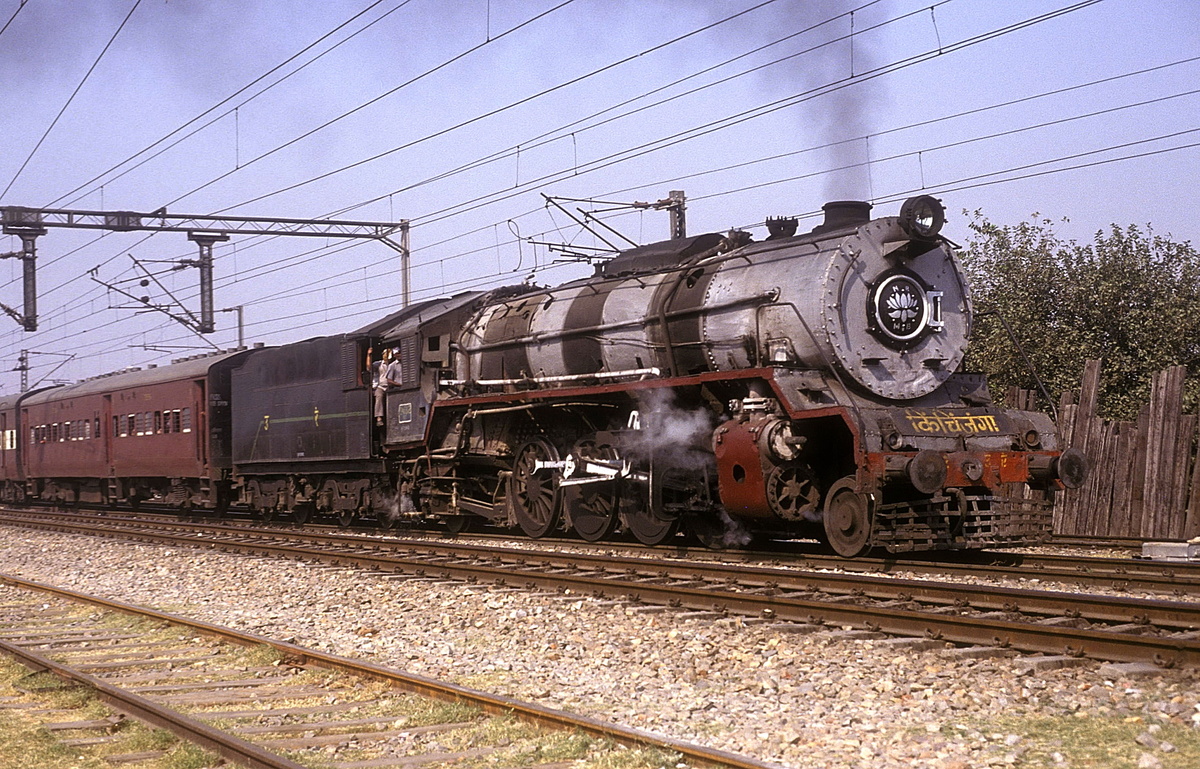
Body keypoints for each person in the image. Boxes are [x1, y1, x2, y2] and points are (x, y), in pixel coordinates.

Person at [366, 346, 390, 426]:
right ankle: (379, 417)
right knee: (379, 396)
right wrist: (369, 355)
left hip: (391, 386)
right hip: (380, 386)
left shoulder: (393, 364)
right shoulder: (378, 364)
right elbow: (369, 368)